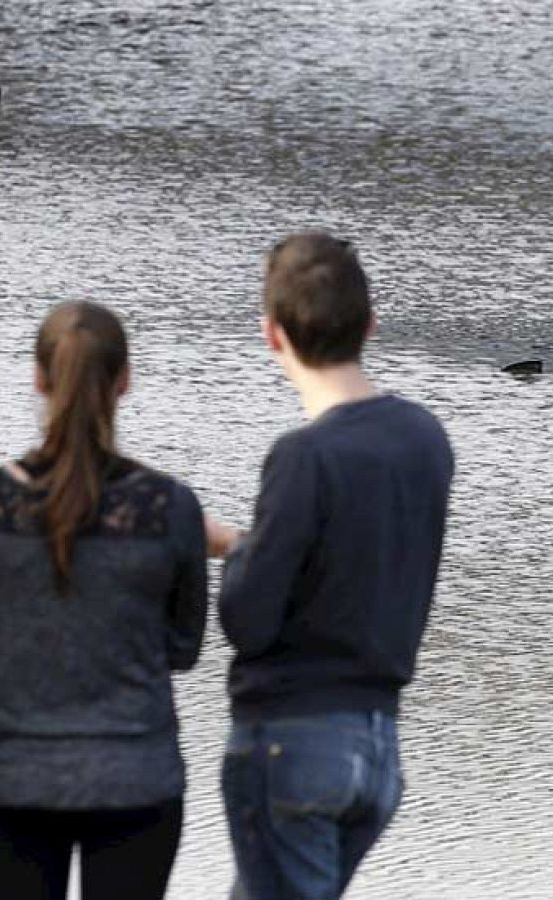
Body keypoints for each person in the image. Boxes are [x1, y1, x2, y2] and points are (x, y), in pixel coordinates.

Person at [209, 232, 455, 899]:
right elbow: (351, 561)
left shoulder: (303, 457)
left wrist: (237, 554)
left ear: (272, 335)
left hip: (293, 745)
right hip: (376, 749)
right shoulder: (424, 439)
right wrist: (246, 544)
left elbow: (247, 620)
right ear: (370, 325)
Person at [0, 300, 207, 900]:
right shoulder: (170, 508)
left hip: (14, 777)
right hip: (135, 778)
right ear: (124, 382)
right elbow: (182, 647)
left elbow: (4, 611)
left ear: (39, 379)